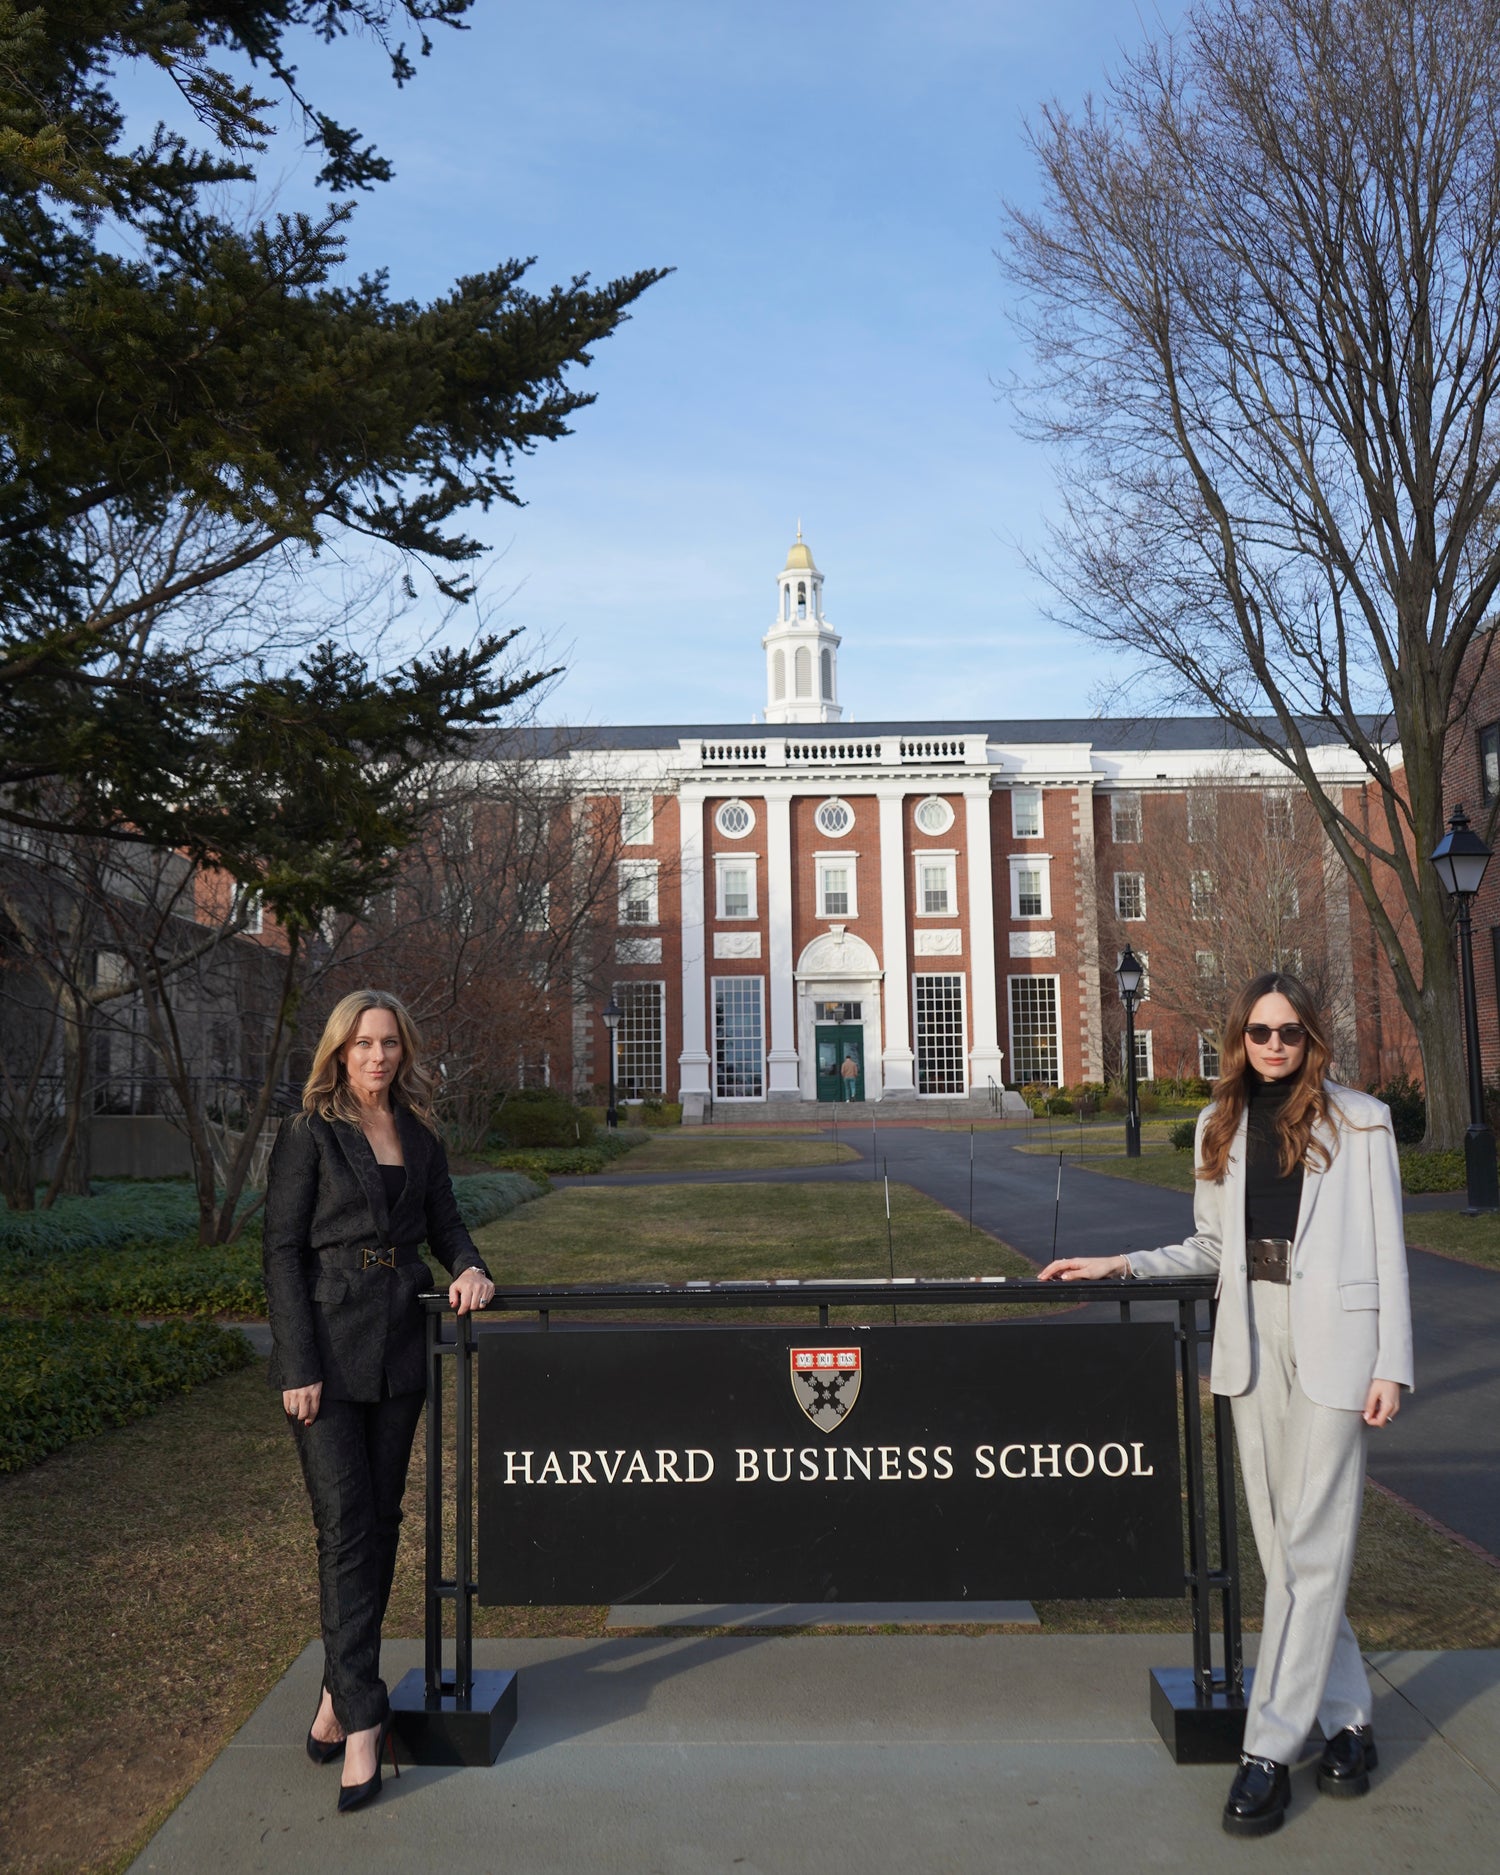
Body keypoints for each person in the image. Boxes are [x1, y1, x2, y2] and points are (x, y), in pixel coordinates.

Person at [1040, 971, 1412, 1838]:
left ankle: (1269, 1749)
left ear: (1311, 1035)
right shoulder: (1221, 1123)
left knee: (1313, 1540)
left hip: (1339, 1344)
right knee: (1287, 1548)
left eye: (1288, 1031)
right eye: (1259, 1032)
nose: (1274, 1044)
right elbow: (1212, 1245)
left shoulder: (1361, 1120)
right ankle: (1350, 1719)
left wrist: (1391, 1362)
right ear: (1239, 1038)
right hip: (1253, 1336)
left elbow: (1389, 1247)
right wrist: (1120, 1264)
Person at [263, 990, 495, 1813]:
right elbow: (282, 1252)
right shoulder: (310, 1132)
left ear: (404, 1049)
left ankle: (336, 1688)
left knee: (382, 1520)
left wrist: (470, 1267)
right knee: (344, 1525)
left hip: (400, 1353)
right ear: (339, 1049)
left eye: (389, 1042)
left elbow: (448, 1226)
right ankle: (364, 1719)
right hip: (325, 1354)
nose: (377, 1056)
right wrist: (296, 1363)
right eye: (363, 1043)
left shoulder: (421, 1135)